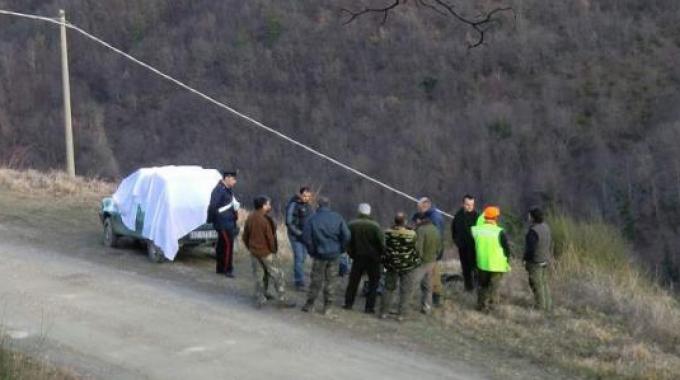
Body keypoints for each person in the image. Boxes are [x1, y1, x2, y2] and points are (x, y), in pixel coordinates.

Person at [242, 196, 295, 309]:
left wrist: (250, 247)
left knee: (259, 275)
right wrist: (273, 250)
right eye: (268, 204)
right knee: (278, 275)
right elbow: (270, 238)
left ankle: (260, 297)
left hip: (254, 252)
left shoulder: (250, 217)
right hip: (266, 253)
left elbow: (245, 236)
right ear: (263, 206)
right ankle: (282, 299)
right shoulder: (264, 220)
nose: (269, 206)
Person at [301, 196, 351, 316]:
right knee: (331, 282)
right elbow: (347, 235)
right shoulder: (337, 217)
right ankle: (327, 307)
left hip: (319, 254)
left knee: (316, 280)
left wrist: (312, 251)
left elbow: (306, 238)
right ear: (329, 205)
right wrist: (341, 249)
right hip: (334, 254)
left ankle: (310, 304)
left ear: (318, 205)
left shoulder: (312, 219)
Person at [344, 203, 385, 314]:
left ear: (359, 211)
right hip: (373, 258)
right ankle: (369, 307)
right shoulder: (375, 226)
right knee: (373, 283)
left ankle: (348, 303)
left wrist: (351, 253)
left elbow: (347, 241)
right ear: (369, 212)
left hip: (358, 257)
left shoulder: (351, 224)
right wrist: (382, 255)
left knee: (353, 281)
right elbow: (382, 243)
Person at [380, 212, 420, 321]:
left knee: (388, 288)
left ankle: (384, 312)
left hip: (391, 264)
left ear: (395, 221)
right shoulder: (412, 234)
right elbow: (415, 247)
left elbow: (385, 246)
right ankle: (402, 314)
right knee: (405, 290)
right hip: (407, 265)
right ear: (405, 221)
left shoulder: (388, 233)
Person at [471, 206, 512, 313]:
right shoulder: (499, 232)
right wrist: (507, 260)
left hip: (482, 264)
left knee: (482, 286)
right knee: (494, 287)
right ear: (495, 218)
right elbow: (507, 250)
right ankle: (492, 308)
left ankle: (481, 306)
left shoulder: (476, 230)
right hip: (497, 265)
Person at [411, 197, 445, 307]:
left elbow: (436, 237)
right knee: (429, 277)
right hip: (426, 250)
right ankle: (428, 300)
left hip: (431, 251)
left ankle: (436, 299)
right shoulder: (425, 215)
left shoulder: (435, 217)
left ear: (426, 206)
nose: (418, 210)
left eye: (419, 208)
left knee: (433, 276)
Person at [207, 170, 240, 278]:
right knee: (228, 245)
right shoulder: (219, 190)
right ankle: (227, 269)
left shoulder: (227, 190)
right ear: (227, 178)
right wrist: (213, 220)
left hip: (228, 222)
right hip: (223, 223)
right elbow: (213, 207)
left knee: (221, 245)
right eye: (233, 179)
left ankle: (220, 268)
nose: (235, 182)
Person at [524, 207, 553, 311]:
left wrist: (525, 259)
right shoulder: (546, 227)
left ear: (532, 218)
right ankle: (548, 305)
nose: (528, 217)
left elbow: (530, 249)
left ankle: (540, 307)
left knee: (536, 284)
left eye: (529, 215)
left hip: (535, 261)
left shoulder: (533, 231)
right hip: (545, 259)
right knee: (544, 283)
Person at [285, 187, 315, 291]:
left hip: (305, 237)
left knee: (302, 259)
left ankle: (299, 277)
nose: (306, 198)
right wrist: (298, 233)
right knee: (299, 257)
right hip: (295, 236)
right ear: (300, 195)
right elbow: (289, 222)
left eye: (308, 196)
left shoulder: (309, 207)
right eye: (305, 196)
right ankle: (299, 282)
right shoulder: (293, 204)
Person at [412, 216, 442, 315]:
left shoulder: (421, 230)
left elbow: (418, 248)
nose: (415, 223)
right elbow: (439, 247)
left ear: (420, 220)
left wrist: (415, 260)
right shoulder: (435, 229)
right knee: (428, 286)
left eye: (416, 221)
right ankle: (426, 307)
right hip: (432, 262)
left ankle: (404, 305)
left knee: (411, 283)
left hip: (421, 262)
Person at [451, 194, 480, 292]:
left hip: (474, 248)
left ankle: (477, 289)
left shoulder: (477, 216)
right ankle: (468, 289)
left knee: (476, 269)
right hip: (463, 247)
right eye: (467, 204)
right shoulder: (458, 216)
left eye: (472, 205)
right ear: (463, 204)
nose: (470, 207)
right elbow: (454, 231)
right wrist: (457, 242)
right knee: (466, 269)